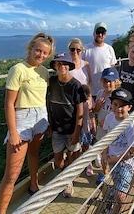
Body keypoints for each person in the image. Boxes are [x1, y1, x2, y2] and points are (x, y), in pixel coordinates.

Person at [0, 33, 55, 214]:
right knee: (12, 174)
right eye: (38, 50)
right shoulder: (18, 69)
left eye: (45, 53)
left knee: (34, 153)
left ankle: (33, 185)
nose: (41, 55)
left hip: (41, 116)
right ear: (30, 48)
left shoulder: (45, 72)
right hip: (22, 118)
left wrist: (48, 121)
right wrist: (13, 132)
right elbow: (8, 103)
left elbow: (43, 98)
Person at [47, 52, 86, 198]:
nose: (61, 66)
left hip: (71, 128)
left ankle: (67, 181)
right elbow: (48, 102)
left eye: (64, 63)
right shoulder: (52, 82)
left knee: (72, 155)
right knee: (58, 158)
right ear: (55, 66)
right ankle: (65, 176)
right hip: (57, 127)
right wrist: (49, 123)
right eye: (58, 64)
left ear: (69, 66)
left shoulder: (76, 85)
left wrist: (77, 131)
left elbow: (80, 110)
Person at [101, 88, 134, 213]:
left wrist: (116, 159)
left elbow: (133, 151)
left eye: (123, 106)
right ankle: (115, 193)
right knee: (116, 181)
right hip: (112, 157)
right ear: (111, 105)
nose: (118, 109)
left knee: (121, 198)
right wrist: (104, 153)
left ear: (129, 107)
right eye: (115, 104)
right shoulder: (109, 118)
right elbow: (107, 136)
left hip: (126, 163)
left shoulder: (132, 127)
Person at [83, 22, 117, 100]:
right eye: (98, 32)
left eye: (102, 32)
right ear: (94, 33)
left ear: (105, 35)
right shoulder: (86, 49)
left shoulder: (109, 49)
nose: (100, 35)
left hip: (106, 92)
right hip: (90, 92)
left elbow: (112, 68)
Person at [80, 84, 97, 176]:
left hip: (87, 127)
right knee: (78, 148)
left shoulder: (89, 102)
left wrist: (94, 127)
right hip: (78, 128)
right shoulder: (76, 101)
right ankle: (82, 164)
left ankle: (89, 163)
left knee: (87, 145)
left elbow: (92, 114)